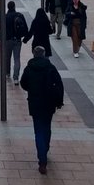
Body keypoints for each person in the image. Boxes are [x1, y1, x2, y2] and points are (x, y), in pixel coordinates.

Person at [20, 45, 65, 174]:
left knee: (38, 130)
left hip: (35, 103)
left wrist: (32, 90)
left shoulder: (29, 68)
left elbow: (24, 83)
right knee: (47, 127)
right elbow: (59, 85)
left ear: (34, 54)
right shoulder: (50, 68)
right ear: (44, 54)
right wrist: (59, 101)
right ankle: (45, 149)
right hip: (49, 103)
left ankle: (42, 159)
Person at [0, 1, 30, 84]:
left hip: (7, 41)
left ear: (8, 7)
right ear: (14, 7)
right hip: (17, 40)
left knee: (7, 57)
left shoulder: (5, 16)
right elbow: (25, 28)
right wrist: (25, 38)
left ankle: (7, 73)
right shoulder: (19, 15)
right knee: (17, 59)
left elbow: (0, 29)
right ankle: (16, 78)